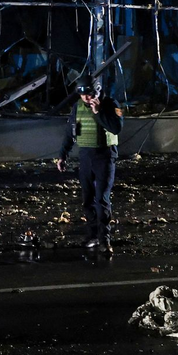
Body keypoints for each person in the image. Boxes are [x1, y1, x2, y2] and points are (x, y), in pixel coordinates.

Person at [57, 74, 123, 254]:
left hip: (105, 156)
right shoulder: (77, 107)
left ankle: (105, 239)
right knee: (88, 199)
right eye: (82, 94)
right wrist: (63, 155)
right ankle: (92, 235)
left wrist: (99, 112)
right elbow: (71, 132)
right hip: (85, 156)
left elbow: (116, 128)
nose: (86, 98)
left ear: (97, 91)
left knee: (102, 199)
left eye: (89, 94)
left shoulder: (111, 104)